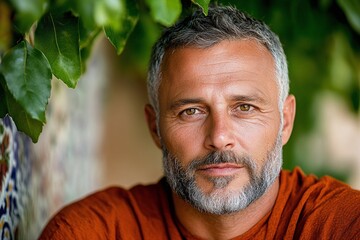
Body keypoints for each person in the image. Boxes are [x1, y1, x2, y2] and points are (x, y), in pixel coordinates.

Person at [40, 5, 360, 239]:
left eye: (245, 107)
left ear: (285, 121)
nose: (219, 137)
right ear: (155, 128)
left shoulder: (341, 226)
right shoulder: (93, 233)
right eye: (191, 111)